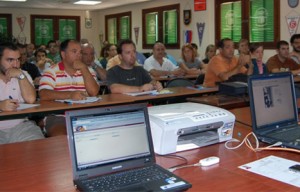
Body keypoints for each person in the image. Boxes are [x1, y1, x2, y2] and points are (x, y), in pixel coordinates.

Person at [39, 39, 99, 136]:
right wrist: (70, 95)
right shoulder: (51, 71)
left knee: (94, 135)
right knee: (61, 137)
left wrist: (84, 69)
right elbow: (43, 94)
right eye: (74, 52)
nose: (79, 55)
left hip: (85, 115)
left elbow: (94, 92)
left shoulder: (89, 71)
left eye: (80, 52)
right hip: (58, 116)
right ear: (63, 54)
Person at [0, 42, 44, 144]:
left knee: (39, 149)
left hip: (22, 126)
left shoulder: (23, 75)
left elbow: (31, 99)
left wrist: (21, 75)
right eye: (10, 60)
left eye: (18, 59)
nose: (16, 64)